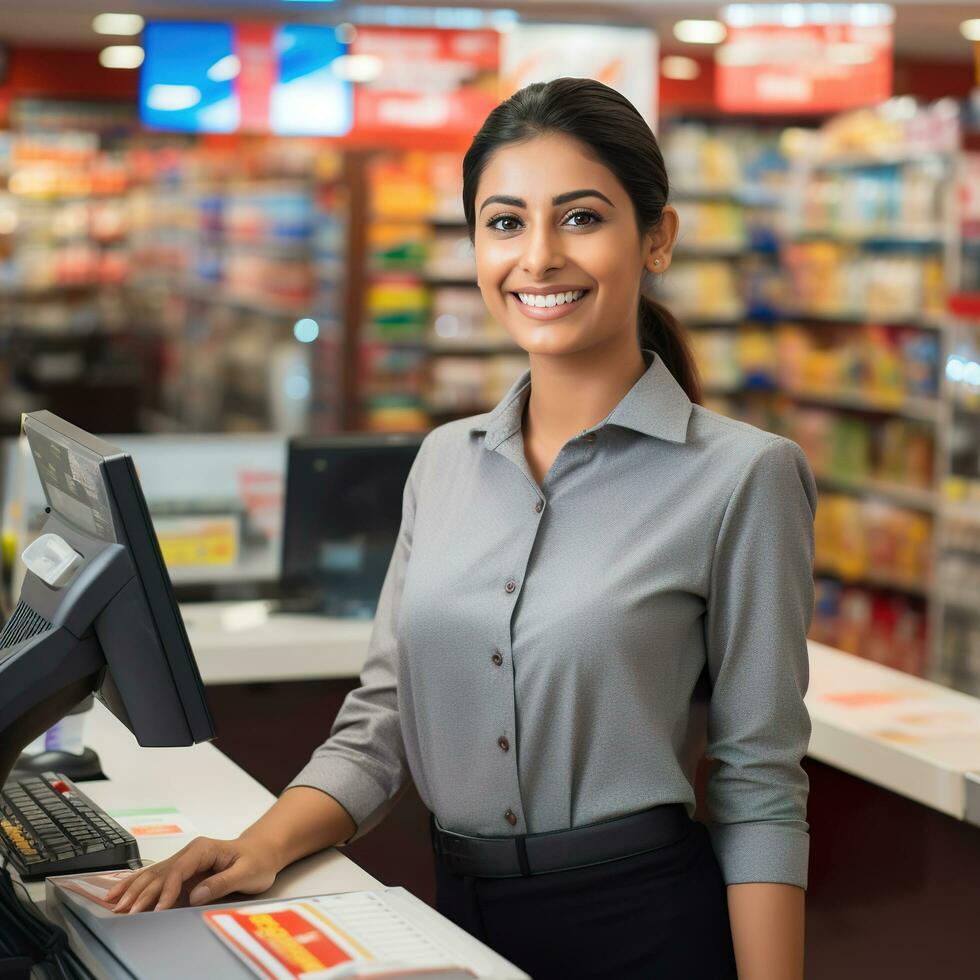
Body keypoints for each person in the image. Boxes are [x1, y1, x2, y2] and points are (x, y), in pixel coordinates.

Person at [106, 77, 816, 980]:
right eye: (506, 222)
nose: (540, 257)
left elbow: (759, 784)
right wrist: (261, 843)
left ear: (658, 237)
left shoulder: (743, 476)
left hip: (643, 928)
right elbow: (382, 721)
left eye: (583, 218)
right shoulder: (444, 461)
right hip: (460, 919)